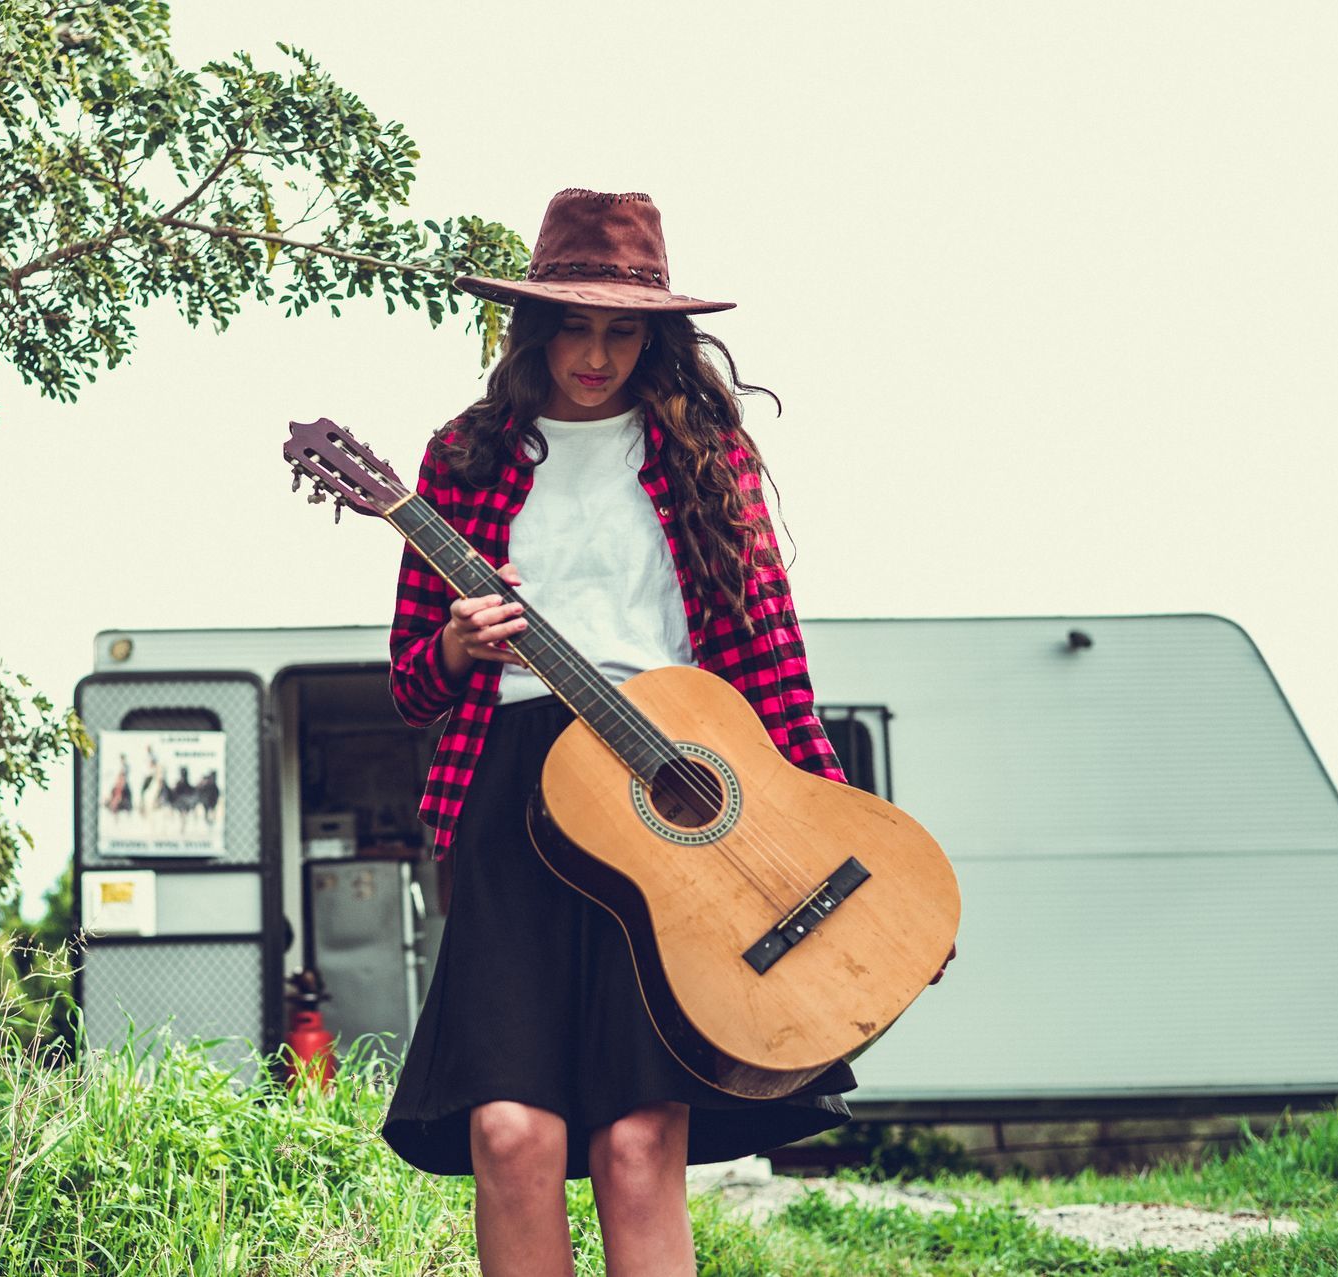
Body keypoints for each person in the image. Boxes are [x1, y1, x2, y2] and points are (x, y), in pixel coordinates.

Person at [381, 188, 952, 1276]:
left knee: (640, 1146)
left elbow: (778, 676)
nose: (594, 353)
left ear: (658, 334)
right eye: (573, 324)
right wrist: (461, 646)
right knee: (512, 1135)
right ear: (533, 324)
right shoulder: (462, 455)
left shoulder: (703, 451)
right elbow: (411, 682)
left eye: (622, 328)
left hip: (674, 791)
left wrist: (862, 862)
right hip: (514, 802)